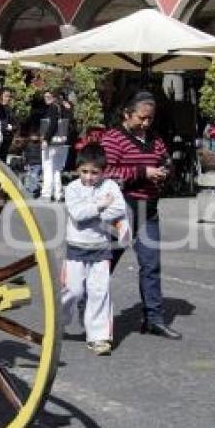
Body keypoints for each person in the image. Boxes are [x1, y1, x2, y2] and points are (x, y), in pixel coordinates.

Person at [102, 91, 182, 340]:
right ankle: (91, 309)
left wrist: (166, 170)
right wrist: (142, 172)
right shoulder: (113, 138)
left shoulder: (155, 139)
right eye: (142, 118)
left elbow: (166, 160)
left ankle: (153, 318)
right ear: (127, 114)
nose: (146, 123)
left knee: (151, 265)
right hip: (122, 208)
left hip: (149, 209)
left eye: (150, 119)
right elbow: (105, 173)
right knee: (106, 263)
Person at [62, 144, 126, 356]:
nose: (89, 177)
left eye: (94, 172)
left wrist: (97, 212)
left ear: (103, 171)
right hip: (75, 248)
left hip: (101, 249)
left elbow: (119, 209)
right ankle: (58, 323)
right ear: (77, 169)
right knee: (73, 291)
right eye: (84, 172)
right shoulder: (71, 188)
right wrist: (100, 206)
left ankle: (99, 337)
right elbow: (78, 214)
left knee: (99, 292)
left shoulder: (110, 186)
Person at [40, 89, 68, 202]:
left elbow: (53, 124)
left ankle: (46, 194)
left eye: (49, 97)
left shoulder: (52, 107)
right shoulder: (63, 107)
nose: (46, 99)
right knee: (56, 169)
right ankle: (58, 193)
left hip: (52, 142)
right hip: (61, 142)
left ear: (54, 97)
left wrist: (46, 139)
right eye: (45, 97)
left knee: (47, 167)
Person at [0, 87, 16, 163]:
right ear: (1, 96)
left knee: (3, 159)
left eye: (9, 96)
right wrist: (5, 127)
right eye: (6, 96)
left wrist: (13, 127)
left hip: (7, 138)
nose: (8, 98)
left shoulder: (10, 109)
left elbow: (15, 122)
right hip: (0, 137)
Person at [23, 129, 43, 197]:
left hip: (38, 163)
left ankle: (34, 190)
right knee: (29, 176)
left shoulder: (40, 145)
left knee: (34, 176)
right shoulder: (28, 145)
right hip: (30, 163)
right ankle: (31, 188)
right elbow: (26, 155)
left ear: (38, 137)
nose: (34, 137)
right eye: (33, 136)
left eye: (36, 136)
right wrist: (25, 163)